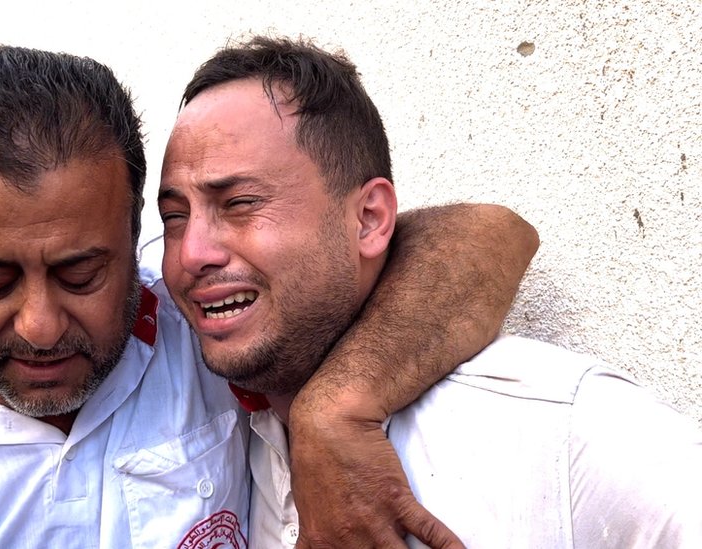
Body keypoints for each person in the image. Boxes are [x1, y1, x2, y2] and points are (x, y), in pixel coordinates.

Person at [0, 46, 537, 548]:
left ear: (136, 233)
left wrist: (338, 410)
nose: (39, 323)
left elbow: (488, 237)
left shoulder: (199, 331)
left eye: (80, 273)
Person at [159, 35, 702, 548]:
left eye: (240, 203)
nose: (190, 253)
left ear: (369, 219)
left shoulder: (558, 425)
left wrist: (332, 412)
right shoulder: (224, 430)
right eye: (174, 217)